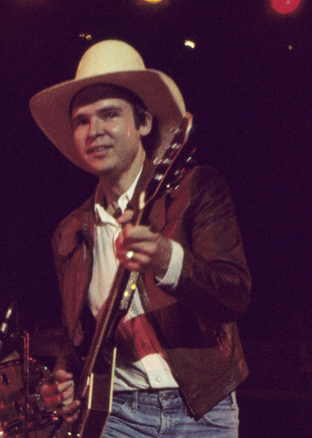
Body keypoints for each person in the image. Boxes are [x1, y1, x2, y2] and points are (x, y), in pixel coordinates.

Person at [28, 40, 250, 436]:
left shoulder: (195, 189)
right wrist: (64, 378)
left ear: (144, 122)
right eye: (81, 120)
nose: (94, 131)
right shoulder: (70, 231)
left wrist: (169, 260)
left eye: (109, 114)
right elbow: (77, 338)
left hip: (202, 411)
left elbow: (233, 294)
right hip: (117, 414)